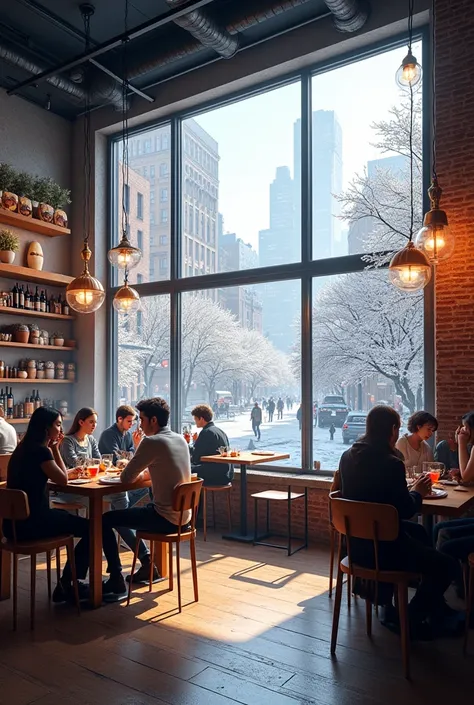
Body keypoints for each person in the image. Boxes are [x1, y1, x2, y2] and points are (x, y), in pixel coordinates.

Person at [338, 405, 459, 637]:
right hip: (385, 548)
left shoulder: (347, 457)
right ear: (393, 430)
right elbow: (405, 510)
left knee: (420, 533)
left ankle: (398, 606)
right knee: (448, 565)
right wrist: (417, 493)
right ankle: (410, 618)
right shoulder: (391, 463)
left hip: (357, 545)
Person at [101, 397, 192, 599]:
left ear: (152, 420)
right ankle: (147, 564)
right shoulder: (179, 439)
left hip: (164, 517)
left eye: (141, 419)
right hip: (184, 518)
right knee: (119, 515)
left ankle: (116, 579)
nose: (139, 425)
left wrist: (134, 467)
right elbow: (160, 470)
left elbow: (126, 478)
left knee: (106, 519)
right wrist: (143, 472)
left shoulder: (151, 441)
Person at [4, 407, 93, 603]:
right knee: (91, 528)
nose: (61, 429)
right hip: (34, 523)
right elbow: (62, 480)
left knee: (83, 526)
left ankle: (68, 584)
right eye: (58, 425)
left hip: (12, 526)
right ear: (47, 428)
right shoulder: (41, 452)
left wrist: (53, 448)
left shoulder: (23, 447)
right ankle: (69, 584)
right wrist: (54, 448)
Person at [191, 404, 233, 486]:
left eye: (196, 419)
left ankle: (194, 498)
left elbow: (196, 457)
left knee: (186, 470)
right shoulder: (220, 431)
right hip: (227, 474)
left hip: (215, 476)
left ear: (201, 419)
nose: (195, 421)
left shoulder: (206, 432)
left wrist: (188, 444)